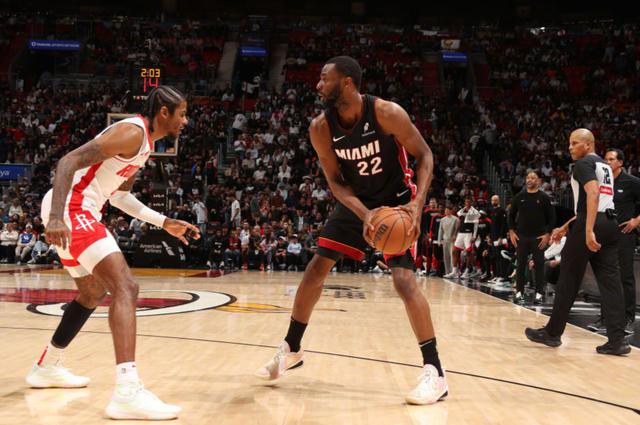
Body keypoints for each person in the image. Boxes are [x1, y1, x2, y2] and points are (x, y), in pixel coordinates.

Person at [255, 56, 447, 404]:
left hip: (397, 203)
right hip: (356, 202)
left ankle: (435, 372)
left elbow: (425, 155)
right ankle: (292, 348)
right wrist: (363, 212)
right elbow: (335, 181)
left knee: (404, 281)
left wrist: (417, 207)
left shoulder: (386, 112)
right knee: (316, 268)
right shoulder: (320, 128)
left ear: (347, 82)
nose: (318, 85)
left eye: (324, 78)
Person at [27, 86, 200, 419]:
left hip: (76, 209)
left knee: (92, 292)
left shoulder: (145, 146)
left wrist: (164, 222)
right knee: (126, 287)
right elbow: (68, 161)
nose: (185, 121)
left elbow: (119, 197)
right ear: (164, 113)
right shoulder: (132, 132)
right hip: (72, 208)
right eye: (182, 114)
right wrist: (57, 217)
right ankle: (127, 392)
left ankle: (46, 366)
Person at [525, 129, 630, 356]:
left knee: (568, 279)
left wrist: (588, 230)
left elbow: (592, 195)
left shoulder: (583, 164)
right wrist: (566, 226)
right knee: (611, 284)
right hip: (610, 223)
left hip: (590, 224)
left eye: (574, 143)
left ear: (588, 145)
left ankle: (552, 333)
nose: (570, 147)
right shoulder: (605, 166)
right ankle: (617, 341)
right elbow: (598, 202)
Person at [587, 149, 639, 335]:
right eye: (606, 159)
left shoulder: (632, 182)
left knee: (626, 277)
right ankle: (605, 318)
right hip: (606, 233)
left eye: (611, 159)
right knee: (606, 277)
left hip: (624, 234)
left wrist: (636, 221)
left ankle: (628, 319)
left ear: (620, 163)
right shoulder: (602, 181)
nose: (607, 162)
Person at [508, 170, 556, 303]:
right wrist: (511, 231)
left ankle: (539, 294)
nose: (529, 180)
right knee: (520, 265)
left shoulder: (544, 197)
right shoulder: (519, 196)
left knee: (539, 265)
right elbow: (511, 215)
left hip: (538, 237)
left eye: (533, 178)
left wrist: (547, 234)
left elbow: (552, 217)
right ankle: (519, 293)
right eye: (528, 177)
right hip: (521, 237)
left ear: (539, 181)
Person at [453, 197, 480, 279]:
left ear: (471, 203)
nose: (467, 203)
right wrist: (455, 234)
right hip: (461, 233)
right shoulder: (461, 211)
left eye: (469, 202)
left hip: (469, 233)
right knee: (455, 251)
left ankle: (467, 271)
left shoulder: (475, 212)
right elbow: (459, 223)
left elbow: (476, 225)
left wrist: (474, 236)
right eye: (466, 202)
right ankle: (455, 271)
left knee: (469, 253)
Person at [440, 204, 459, 278]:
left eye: (447, 210)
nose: (446, 211)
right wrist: (439, 240)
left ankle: (453, 272)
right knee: (446, 257)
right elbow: (440, 230)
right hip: (445, 240)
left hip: (452, 241)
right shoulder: (442, 219)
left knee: (452, 256)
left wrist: (455, 237)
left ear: (451, 211)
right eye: (445, 210)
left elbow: (457, 230)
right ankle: (447, 272)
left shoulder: (456, 219)